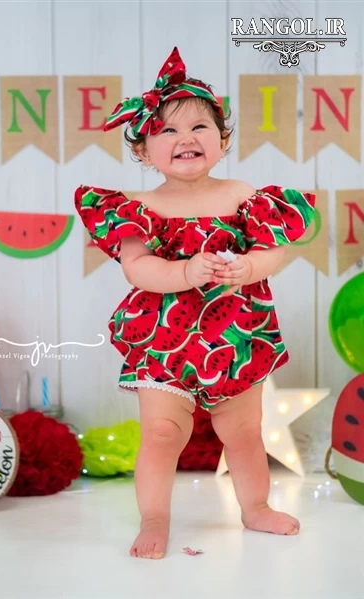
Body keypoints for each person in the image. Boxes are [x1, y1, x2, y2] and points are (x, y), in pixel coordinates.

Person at [74, 47, 316, 560]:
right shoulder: (139, 208)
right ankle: (154, 517)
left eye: (200, 127)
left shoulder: (242, 194)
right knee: (163, 433)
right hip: (164, 336)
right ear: (144, 152)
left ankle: (255, 507)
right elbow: (136, 268)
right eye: (167, 130)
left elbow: (275, 248)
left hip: (235, 333)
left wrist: (249, 267)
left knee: (244, 432)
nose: (185, 138)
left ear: (222, 141)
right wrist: (184, 272)